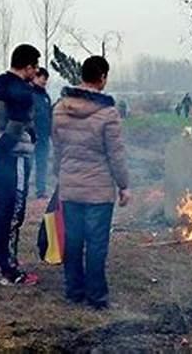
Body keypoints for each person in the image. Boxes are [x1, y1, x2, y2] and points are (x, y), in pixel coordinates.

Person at [53, 55, 131, 309]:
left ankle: (74, 290)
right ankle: (96, 296)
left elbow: (58, 148)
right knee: (97, 243)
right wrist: (124, 185)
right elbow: (115, 154)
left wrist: (60, 177)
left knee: (73, 240)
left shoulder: (60, 107)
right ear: (102, 78)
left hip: (70, 187)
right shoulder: (108, 113)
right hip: (98, 192)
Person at [0, 44, 41, 286]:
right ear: (27, 67)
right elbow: (15, 131)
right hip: (13, 158)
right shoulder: (21, 92)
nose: (36, 73)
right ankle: (10, 269)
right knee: (14, 212)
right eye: (35, 68)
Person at [32, 67, 52, 199]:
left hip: (44, 136)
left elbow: (48, 115)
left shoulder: (45, 96)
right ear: (35, 77)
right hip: (31, 137)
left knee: (42, 163)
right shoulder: (28, 94)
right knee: (27, 164)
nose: (44, 83)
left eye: (45, 81)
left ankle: (41, 190)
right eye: (42, 79)